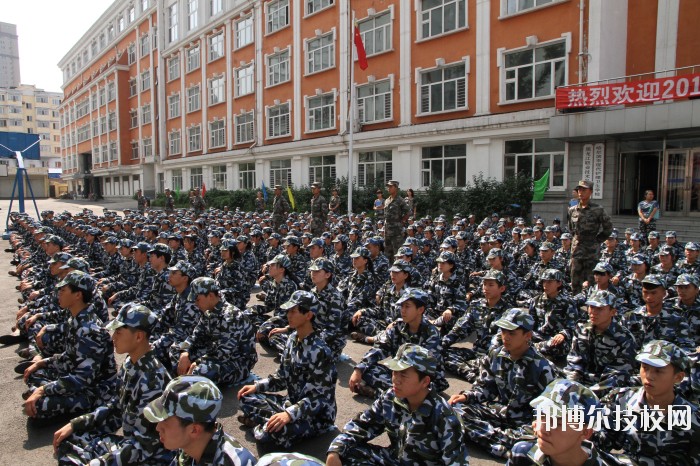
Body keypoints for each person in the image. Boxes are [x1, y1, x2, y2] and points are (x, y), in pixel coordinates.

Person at [53, 304, 174, 465]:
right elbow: (116, 406)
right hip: (132, 446)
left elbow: (144, 446)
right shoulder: (130, 364)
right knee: (71, 438)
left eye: (118, 332)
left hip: (150, 458)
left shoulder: (152, 380)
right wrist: (76, 424)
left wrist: (100, 462)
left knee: (78, 455)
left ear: (138, 336)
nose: (113, 337)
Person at [326, 343, 469, 466]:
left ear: (425, 381)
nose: (396, 380)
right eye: (394, 372)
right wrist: (335, 449)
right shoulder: (390, 397)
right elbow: (362, 425)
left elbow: (456, 462)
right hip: (394, 460)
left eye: (404, 375)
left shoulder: (445, 417)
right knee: (344, 452)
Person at [448, 308, 560, 458]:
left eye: (512, 333)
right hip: (499, 413)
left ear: (527, 335)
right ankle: (507, 446)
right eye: (503, 331)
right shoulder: (496, 355)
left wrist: (539, 427)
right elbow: (485, 388)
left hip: (525, 423)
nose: (505, 337)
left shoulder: (542, 367)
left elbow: (548, 412)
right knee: (455, 408)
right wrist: (467, 397)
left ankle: (497, 441)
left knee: (541, 439)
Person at [237, 290, 337, 448]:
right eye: (288, 311)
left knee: (277, 434)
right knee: (245, 397)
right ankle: (270, 423)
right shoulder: (292, 339)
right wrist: (257, 386)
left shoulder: (320, 351)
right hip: (290, 403)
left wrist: (289, 414)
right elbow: (281, 377)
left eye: (293, 311)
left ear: (308, 315)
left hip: (315, 415)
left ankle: (266, 425)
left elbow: (319, 398)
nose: (288, 315)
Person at [22, 271, 117, 422]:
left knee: (40, 404)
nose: (59, 293)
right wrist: (42, 362)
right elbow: (69, 355)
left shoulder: (89, 329)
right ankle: (45, 393)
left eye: (63, 290)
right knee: (35, 371)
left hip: (95, 390)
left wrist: (43, 390)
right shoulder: (77, 318)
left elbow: (81, 379)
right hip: (76, 375)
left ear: (78, 295)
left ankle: (45, 399)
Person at [597, 340, 700, 465]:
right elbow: (597, 443)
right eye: (645, 368)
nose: (649, 376)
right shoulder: (620, 401)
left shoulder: (693, 419)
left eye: (658, 371)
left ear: (678, 377)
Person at [143, 375, 257, 465]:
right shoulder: (190, 447)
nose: (158, 427)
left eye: (165, 421)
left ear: (194, 430)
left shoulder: (235, 462)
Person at [508, 379, 619, 466]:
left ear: (585, 433)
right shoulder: (522, 454)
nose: (544, 429)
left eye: (558, 423)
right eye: (542, 416)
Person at [175, 277, 257, 386]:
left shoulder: (231, 316)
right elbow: (195, 336)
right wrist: (185, 352)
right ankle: (189, 377)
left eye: (197, 299)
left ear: (211, 296)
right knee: (176, 349)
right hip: (215, 353)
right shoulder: (209, 312)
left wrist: (198, 362)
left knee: (202, 370)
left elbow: (223, 352)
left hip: (238, 361)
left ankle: (192, 388)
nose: (195, 303)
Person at [568, 180, 613, 294]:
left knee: (592, 278)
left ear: (591, 192)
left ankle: (592, 303)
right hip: (577, 248)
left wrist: (597, 239)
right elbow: (571, 228)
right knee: (575, 277)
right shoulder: (572, 210)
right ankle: (576, 302)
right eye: (579, 190)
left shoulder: (598, 209)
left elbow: (608, 228)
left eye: (584, 190)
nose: (581, 192)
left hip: (591, 249)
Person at [383, 180, 410, 260]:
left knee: (397, 253)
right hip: (387, 230)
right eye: (388, 187)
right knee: (388, 253)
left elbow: (408, 212)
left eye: (391, 187)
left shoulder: (400, 200)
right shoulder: (387, 200)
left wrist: (402, 221)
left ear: (396, 188)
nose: (389, 188)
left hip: (396, 231)